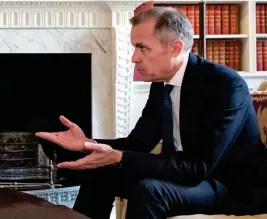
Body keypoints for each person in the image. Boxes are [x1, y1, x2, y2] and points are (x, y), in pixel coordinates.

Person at [36, 7, 267, 219]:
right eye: (135, 47)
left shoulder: (225, 84)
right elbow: (137, 143)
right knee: (100, 174)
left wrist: (119, 157)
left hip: (227, 185)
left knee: (149, 191)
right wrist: (88, 144)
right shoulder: (162, 83)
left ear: (175, 48)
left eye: (142, 48)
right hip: (183, 176)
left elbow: (199, 167)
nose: (134, 58)